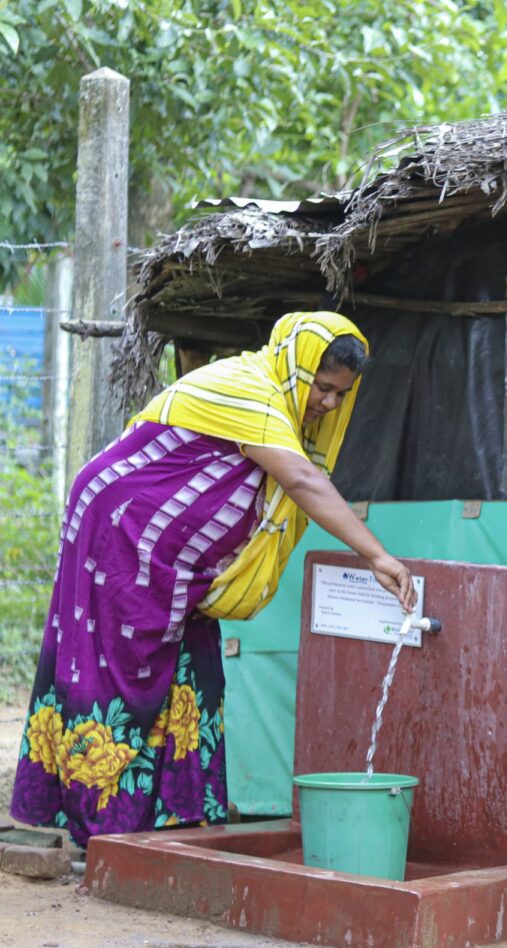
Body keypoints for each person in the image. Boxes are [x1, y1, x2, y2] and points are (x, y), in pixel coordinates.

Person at [10, 311, 416, 848]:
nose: (330, 404)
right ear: (297, 369)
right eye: (323, 388)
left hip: (178, 566)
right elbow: (300, 480)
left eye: (341, 394)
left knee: (193, 671)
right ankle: (103, 837)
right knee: (117, 675)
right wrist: (377, 557)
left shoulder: (278, 406)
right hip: (123, 535)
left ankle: (175, 824)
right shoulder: (253, 391)